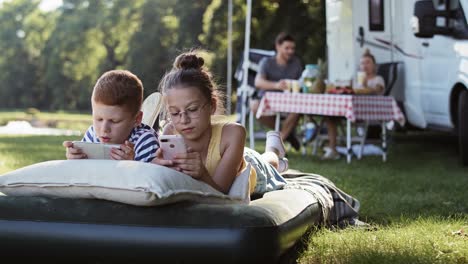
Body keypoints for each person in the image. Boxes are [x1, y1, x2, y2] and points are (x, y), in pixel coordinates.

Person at [152, 51, 288, 195]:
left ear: (212, 105)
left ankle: (273, 149)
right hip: (229, 155)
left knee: (269, 161)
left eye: (192, 109)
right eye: (174, 113)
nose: (183, 120)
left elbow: (222, 192)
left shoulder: (235, 133)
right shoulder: (170, 132)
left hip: (249, 168)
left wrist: (202, 174)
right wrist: (157, 166)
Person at [63, 70, 159, 162]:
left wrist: (132, 165)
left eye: (114, 121)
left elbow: (152, 177)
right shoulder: (92, 134)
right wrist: (75, 157)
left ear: (137, 119)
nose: (104, 129)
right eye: (99, 119)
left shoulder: (145, 141)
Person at [323, 49, 385, 160]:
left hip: (368, 113)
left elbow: (377, 90)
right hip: (351, 111)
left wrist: (365, 85)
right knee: (330, 116)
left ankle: (337, 148)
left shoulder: (378, 79)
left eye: (368, 62)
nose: (365, 65)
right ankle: (333, 149)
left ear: (374, 65)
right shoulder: (356, 81)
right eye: (362, 63)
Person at [250, 32, 303, 151]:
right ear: (278, 46)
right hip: (268, 102)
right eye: (287, 48)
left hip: (290, 102)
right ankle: (288, 135)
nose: (290, 51)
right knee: (254, 107)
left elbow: (301, 83)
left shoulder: (296, 63)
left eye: (292, 48)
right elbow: (258, 82)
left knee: (299, 109)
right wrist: (277, 85)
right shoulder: (267, 62)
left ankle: (278, 146)